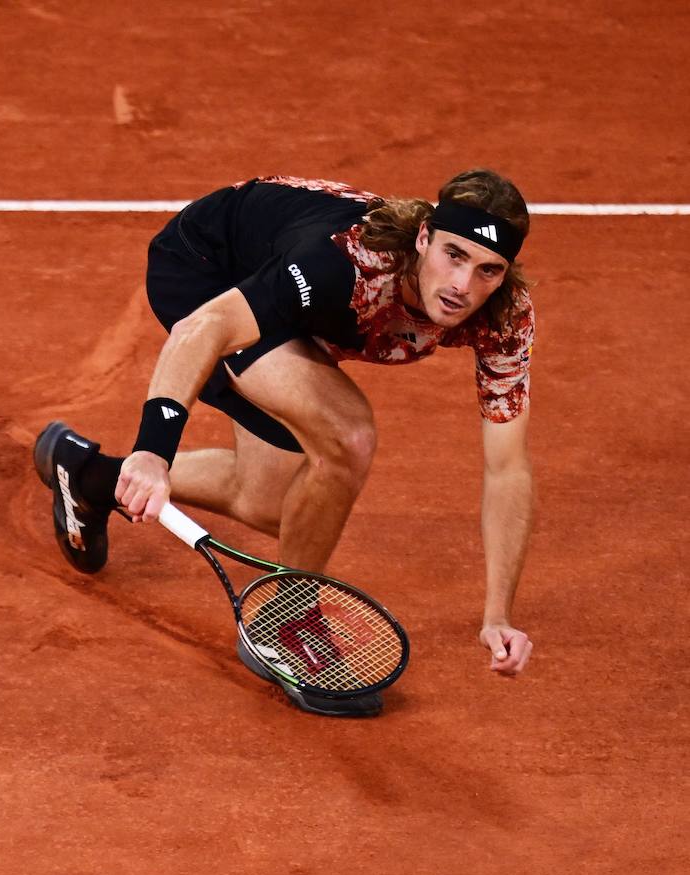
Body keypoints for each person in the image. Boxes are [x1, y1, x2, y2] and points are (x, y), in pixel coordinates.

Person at [33, 171, 536, 716]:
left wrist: (498, 615)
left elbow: (507, 468)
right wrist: (152, 451)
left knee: (276, 505)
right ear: (423, 238)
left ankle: (87, 476)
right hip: (207, 269)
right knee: (348, 435)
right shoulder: (345, 264)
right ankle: (288, 619)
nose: (463, 284)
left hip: (288, 305)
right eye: (453, 255)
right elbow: (205, 327)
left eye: (488, 269)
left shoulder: (504, 318)